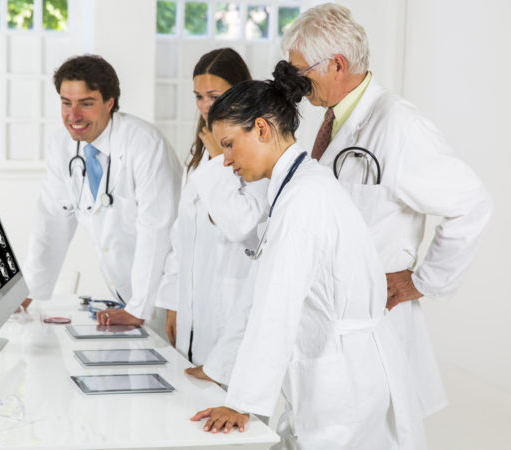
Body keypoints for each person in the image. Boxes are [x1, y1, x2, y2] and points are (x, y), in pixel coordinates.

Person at [191, 61, 425, 449]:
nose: (226, 160)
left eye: (229, 144)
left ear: (262, 128)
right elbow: (260, 295)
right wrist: (221, 369)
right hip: (337, 373)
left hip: (342, 384)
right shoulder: (298, 188)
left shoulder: (303, 200)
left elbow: (275, 308)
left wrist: (242, 402)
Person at [282, 3, 493, 416]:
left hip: (374, 324)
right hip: (333, 323)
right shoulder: (333, 119)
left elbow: (472, 203)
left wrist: (424, 280)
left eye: (300, 71)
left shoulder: (397, 125)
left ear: (337, 65)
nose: (294, 83)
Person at [22, 55, 181, 329]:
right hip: (125, 297)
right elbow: (51, 222)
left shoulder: (144, 144)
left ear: (109, 103)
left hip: (165, 300)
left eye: (86, 103)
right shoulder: (61, 146)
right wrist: (28, 293)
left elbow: (157, 230)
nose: (73, 116)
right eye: (66, 103)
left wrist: (139, 308)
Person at [156, 48, 268, 384]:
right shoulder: (200, 148)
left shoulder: (256, 149)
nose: (206, 106)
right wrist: (173, 301)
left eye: (214, 96)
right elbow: (182, 234)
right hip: (193, 307)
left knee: (230, 413)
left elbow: (242, 225)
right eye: (199, 97)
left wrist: (222, 159)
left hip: (230, 307)